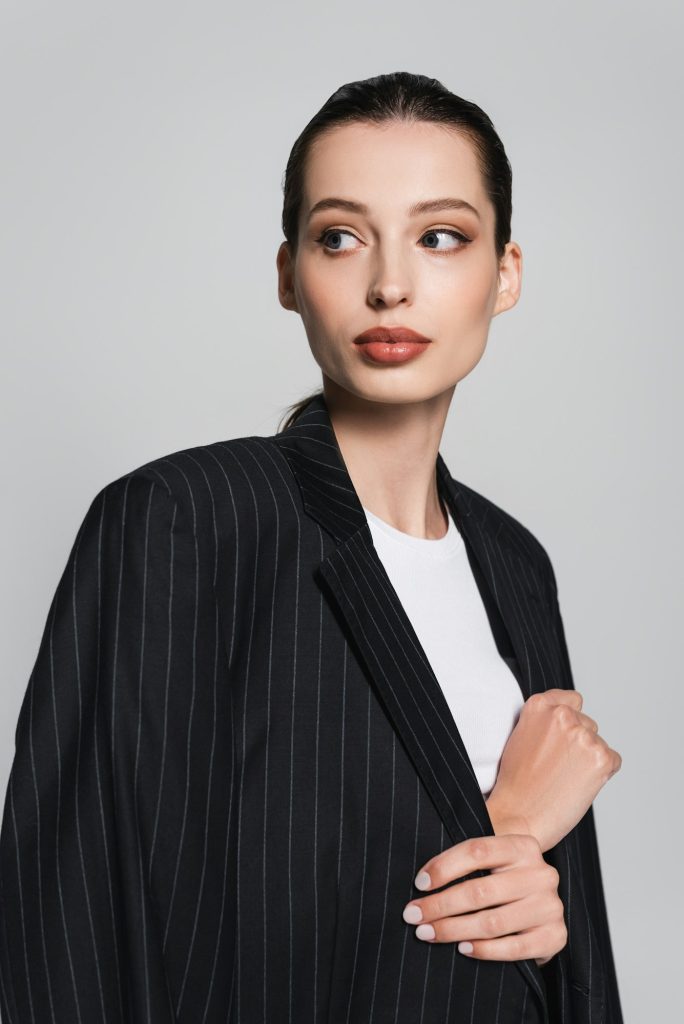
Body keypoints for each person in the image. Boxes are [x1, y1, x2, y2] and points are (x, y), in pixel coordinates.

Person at [0, 71, 622, 1023]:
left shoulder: (514, 563)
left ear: (506, 274)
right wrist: (513, 828)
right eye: (340, 236)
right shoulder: (184, 523)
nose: (389, 283)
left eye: (441, 237)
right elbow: (73, 928)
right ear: (289, 274)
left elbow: (545, 957)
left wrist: (542, 900)